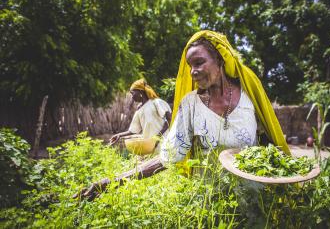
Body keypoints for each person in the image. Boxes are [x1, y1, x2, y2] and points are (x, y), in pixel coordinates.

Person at [74, 30, 290, 201]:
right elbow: (167, 157)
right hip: (210, 204)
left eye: (199, 63)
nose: (193, 71)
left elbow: (271, 144)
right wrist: (111, 181)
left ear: (221, 60)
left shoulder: (249, 98)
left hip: (255, 202)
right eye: (190, 65)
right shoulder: (191, 105)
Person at [109, 79, 172, 147]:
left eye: (133, 93)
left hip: (165, 144)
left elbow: (169, 119)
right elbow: (133, 130)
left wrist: (158, 137)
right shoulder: (139, 110)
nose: (132, 97)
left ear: (140, 92)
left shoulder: (156, 102)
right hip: (150, 146)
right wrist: (118, 135)